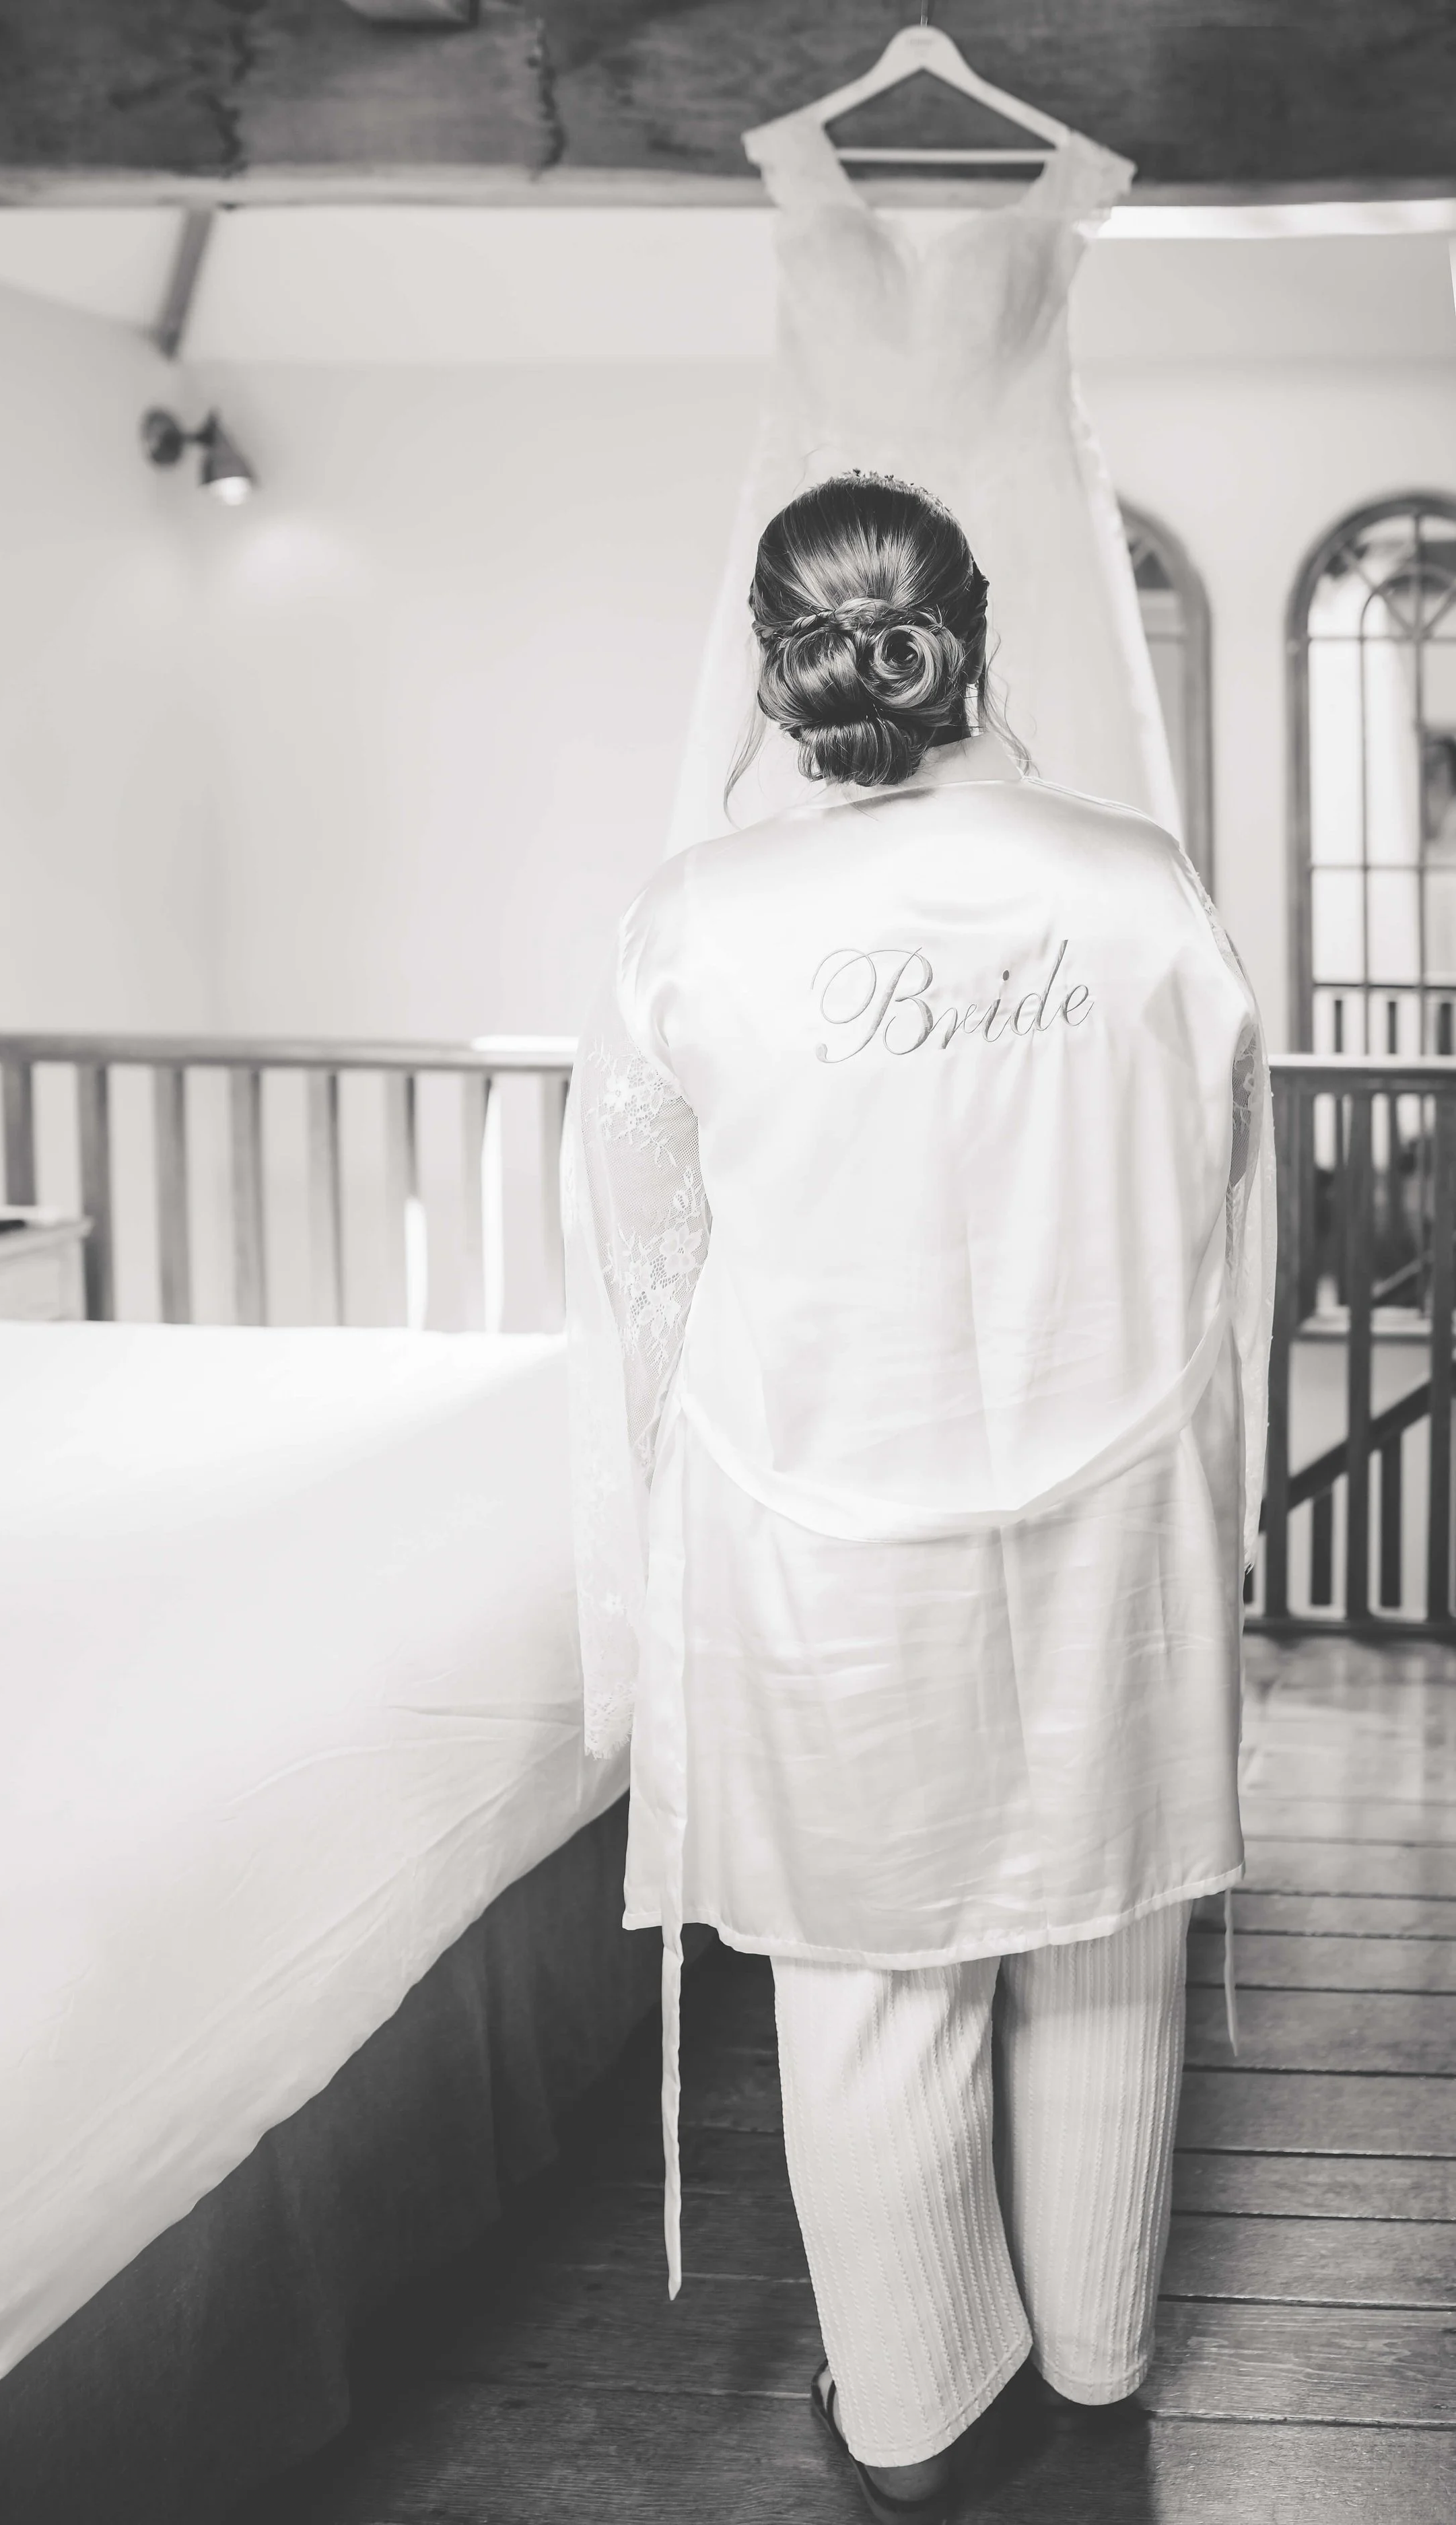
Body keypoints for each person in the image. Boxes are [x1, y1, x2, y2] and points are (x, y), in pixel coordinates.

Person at [563, 475, 1273, 2516]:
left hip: (815, 1512)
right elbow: (1228, 1193)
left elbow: (650, 1254)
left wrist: (687, 1470)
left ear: (783, 675)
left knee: (871, 1973)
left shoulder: (695, 916)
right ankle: (1104, 2341)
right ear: (975, 634)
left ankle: (915, 2402)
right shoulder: (1138, 882)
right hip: (1113, 1488)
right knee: (1107, 1923)